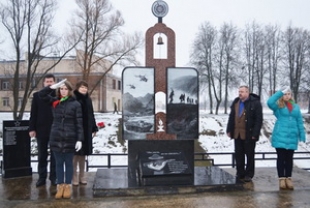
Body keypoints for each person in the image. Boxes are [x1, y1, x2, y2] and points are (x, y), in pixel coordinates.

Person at [39, 79, 84, 199]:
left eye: (65, 89)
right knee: (58, 163)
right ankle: (60, 186)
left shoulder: (76, 104)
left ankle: (67, 186)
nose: (63, 91)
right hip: (56, 137)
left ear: (69, 91)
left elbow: (79, 123)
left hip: (70, 137)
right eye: (61, 89)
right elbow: (41, 95)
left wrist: (80, 139)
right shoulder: (55, 102)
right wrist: (52, 87)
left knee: (68, 163)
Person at [267, 86, 306, 190]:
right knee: (281, 158)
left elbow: (299, 121)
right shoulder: (278, 106)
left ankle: (289, 178)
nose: (287, 96)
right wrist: (280, 92)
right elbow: (269, 102)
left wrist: (302, 134)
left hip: (292, 136)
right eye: (285, 94)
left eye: (288, 94)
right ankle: (281, 179)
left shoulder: (296, 107)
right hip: (280, 135)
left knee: (289, 159)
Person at [226, 86, 263, 182]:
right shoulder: (236, 102)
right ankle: (240, 172)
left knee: (249, 155)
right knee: (239, 154)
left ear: (247, 92)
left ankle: (249, 174)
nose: (240, 93)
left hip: (249, 134)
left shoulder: (255, 103)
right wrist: (229, 129)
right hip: (237, 133)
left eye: (242, 91)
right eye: (239, 91)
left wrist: (255, 133)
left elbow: (258, 120)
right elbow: (232, 117)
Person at [29, 74, 57, 187]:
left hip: (55, 130)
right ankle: (41, 177)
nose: (49, 83)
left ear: (54, 83)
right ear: (44, 83)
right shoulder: (37, 96)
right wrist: (32, 128)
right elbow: (33, 113)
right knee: (42, 155)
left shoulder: (58, 96)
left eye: (51, 81)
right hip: (41, 130)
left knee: (55, 155)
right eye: (47, 81)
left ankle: (54, 177)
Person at [72, 81, 98, 186]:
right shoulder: (73, 99)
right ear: (78, 88)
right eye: (82, 87)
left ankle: (82, 176)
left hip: (86, 130)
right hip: (76, 130)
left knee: (83, 155)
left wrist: (94, 127)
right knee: (75, 155)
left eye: (86, 88)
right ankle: (74, 177)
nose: (84, 89)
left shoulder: (88, 99)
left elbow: (91, 114)